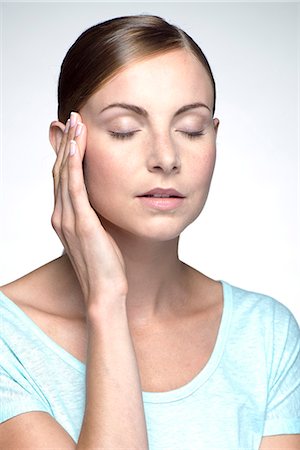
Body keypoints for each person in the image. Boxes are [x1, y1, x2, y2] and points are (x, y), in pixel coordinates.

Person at [0, 14, 299, 450]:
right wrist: (106, 301)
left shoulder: (266, 336)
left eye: (191, 129)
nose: (165, 156)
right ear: (67, 144)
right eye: (125, 130)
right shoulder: (8, 339)